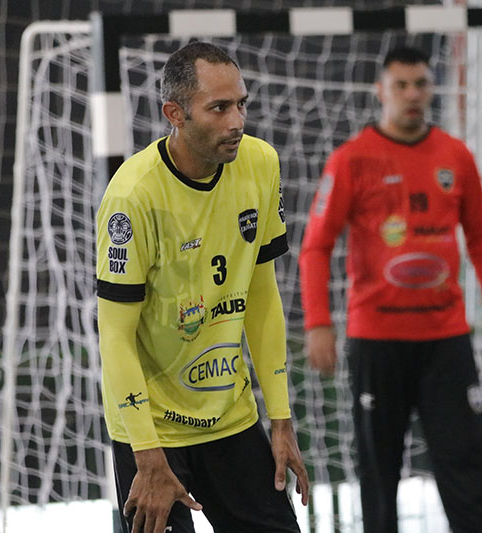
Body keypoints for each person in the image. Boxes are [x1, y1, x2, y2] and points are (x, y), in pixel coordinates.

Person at [96, 41, 309, 533]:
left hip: (230, 417)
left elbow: (262, 300)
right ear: (175, 114)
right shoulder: (133, 196)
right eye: (219, 108)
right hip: (152, 433)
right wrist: (147, 455)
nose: (237, 121)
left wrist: (280, 419)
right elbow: (115, 336)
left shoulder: (261, 164)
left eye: (241, 105)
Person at [299, 46, 482, 533]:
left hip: (446, 340)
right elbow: (316, 247)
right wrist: (318, 323)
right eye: (402, 85)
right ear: (381, 90)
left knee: (468, 467)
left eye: (421, 84)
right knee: (379, 476)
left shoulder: (456, 156)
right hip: (377, 342)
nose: (413, 94)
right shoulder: (351, 160)